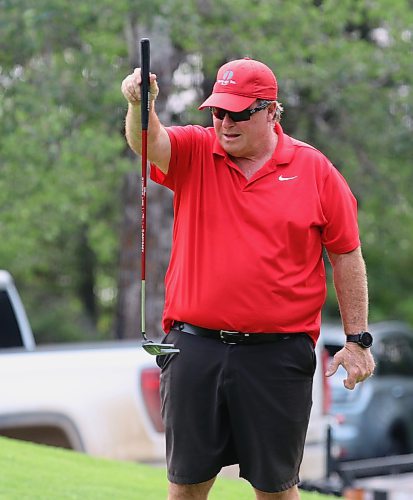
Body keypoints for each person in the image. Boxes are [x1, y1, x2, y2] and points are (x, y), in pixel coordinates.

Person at [121, 57, 375, 500]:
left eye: (239, 112)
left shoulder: (314, 170)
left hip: (277, 356)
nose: (225, 122)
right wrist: (138, 105)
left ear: (271, 112)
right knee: (185, 487)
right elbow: (150, 143)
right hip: (195, 348)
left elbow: (346, 253)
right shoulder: (197, 150)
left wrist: (357, 339)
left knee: (275, 490)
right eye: (218, 111)